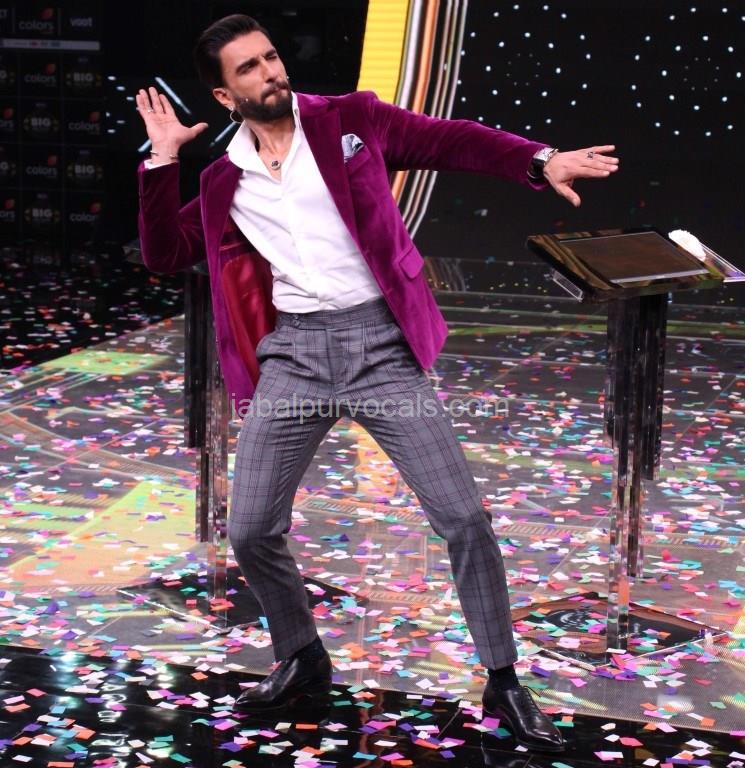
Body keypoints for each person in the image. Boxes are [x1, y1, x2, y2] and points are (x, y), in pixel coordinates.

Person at [136, 13, 619, 754]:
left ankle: (503, 678)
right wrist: (162, 159)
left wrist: (539, 160)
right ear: (225, 96)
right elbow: (166, 253)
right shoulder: (223, 176)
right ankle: (302, 656)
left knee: (463, 519)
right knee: (251, 528)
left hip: (380, 347)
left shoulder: (349, 120)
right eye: (249, 68)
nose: (271, 72)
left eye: (271, 56)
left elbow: (448, 139)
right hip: (295, 355)